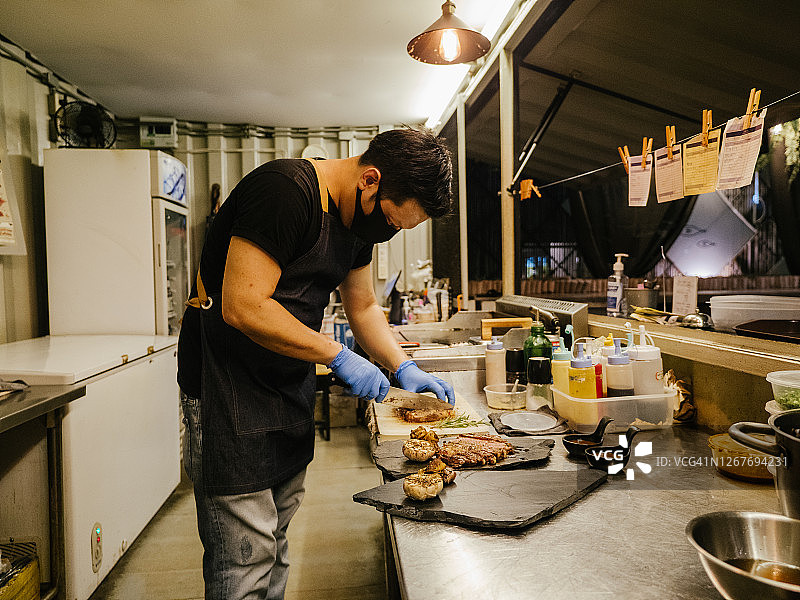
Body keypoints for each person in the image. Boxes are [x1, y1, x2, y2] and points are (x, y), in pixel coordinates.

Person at [177, 128, 455, 600]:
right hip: (229, 390)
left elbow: (363, 305)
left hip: (286, 388)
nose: (388, 232)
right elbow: (242, 304)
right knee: (244, 560)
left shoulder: (357, 222)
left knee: (276, 543)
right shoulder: (286, 192)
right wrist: (338, 355)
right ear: (370, 179)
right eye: (391, 221)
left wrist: (400, 365)